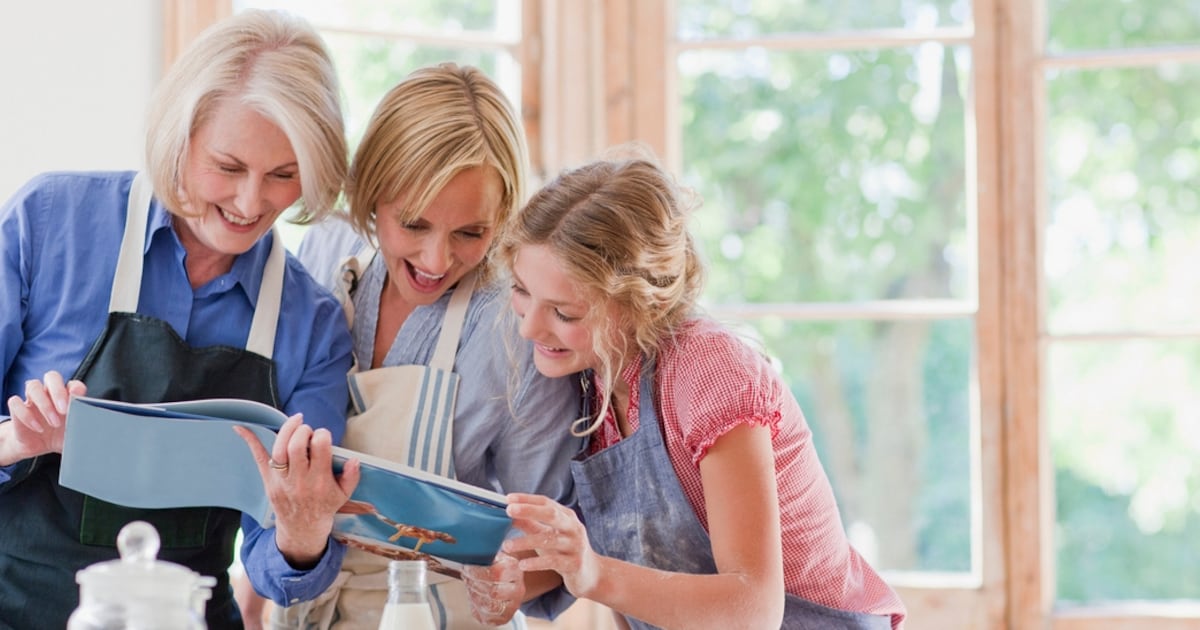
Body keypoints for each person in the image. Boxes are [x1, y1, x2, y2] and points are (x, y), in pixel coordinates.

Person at [0, 10, 360, 629]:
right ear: (179, 137)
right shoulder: (50, 222)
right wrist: (17, 440)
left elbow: (278, 569)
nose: (251, 202)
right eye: (228, 166)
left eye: (283, 175)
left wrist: (303, 534)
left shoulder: (312, 324)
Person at [492, 153, 908, 630]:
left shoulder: (708, 371)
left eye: (564, 313)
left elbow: (754, 610)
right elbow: (632, 571)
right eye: (521, 291)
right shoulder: (594, 381)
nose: (529, 329)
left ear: (641, 302)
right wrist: (501, 576)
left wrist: (594, 573)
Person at [268, 62, 584, 629]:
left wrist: (509, 584)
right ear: (371, 193)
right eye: (413, 224)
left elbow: (551, 538)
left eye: (470, 233)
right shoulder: (325, 253)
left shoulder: (515, 330)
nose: (436, 260)